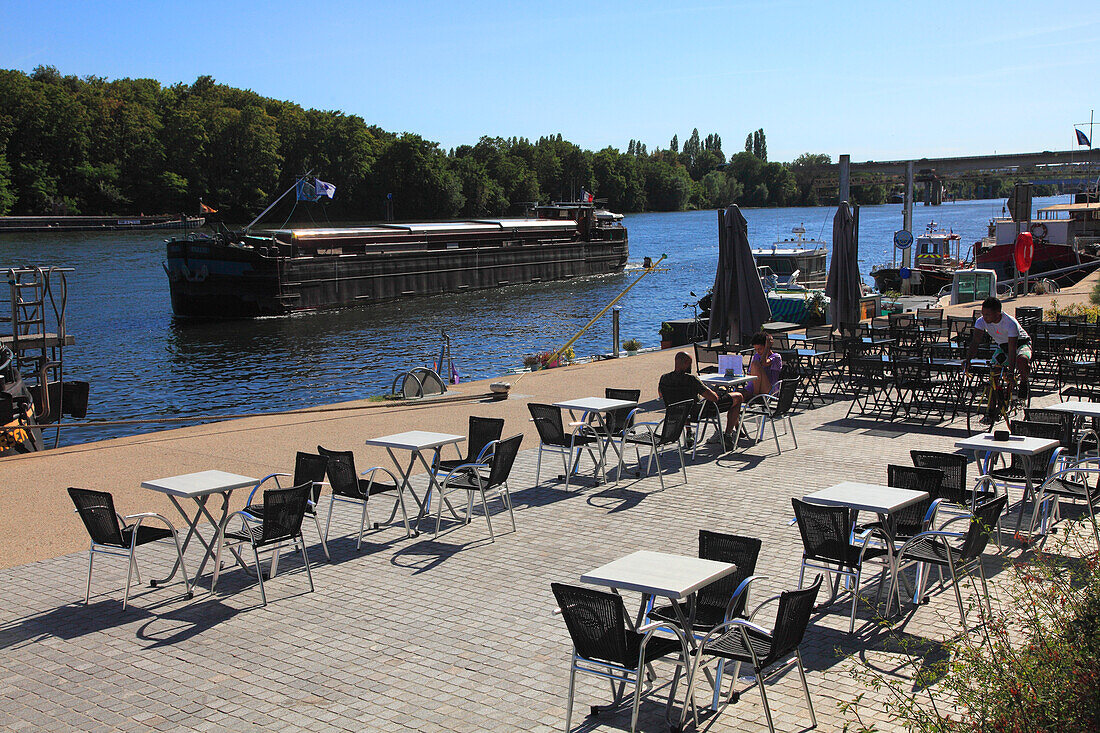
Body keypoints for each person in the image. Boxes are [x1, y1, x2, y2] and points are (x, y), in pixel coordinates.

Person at [963, 296, 1031, 403]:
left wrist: (1011, 371)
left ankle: (1024, 382)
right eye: (983, 314)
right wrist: (968, 360)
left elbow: (1012, 348)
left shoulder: (1010, 323)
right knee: (993, 374)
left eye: (988, 315)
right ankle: (993, 408)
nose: (984, 317)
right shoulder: (981, 321)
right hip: (1003, 345)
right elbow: (975, 342)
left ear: (998, 313)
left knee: (1021, 360)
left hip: (1020, 343)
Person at [657, 351, 728, 447]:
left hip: (677, 414)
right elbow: (714, 398)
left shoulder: (664, 378)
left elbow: (661, 394)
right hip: (697, 413)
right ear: (686, 363)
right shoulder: (691, 379)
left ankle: (689, 432)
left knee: (682, 402)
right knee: (737, 397)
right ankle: (729, 435)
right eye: (690, 364)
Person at [724, 332, 783, 441]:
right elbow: (751, 375)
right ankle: (736, 429)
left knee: (756, 363)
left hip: (768, 389)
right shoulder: (756, 356)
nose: (758, 352)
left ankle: (754, 396)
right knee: (734, 398)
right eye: (756, 349)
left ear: (766, 347)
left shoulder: (776, 357)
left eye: (760, 349)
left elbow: (764, 363)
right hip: (754, 387)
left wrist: (767, 349)